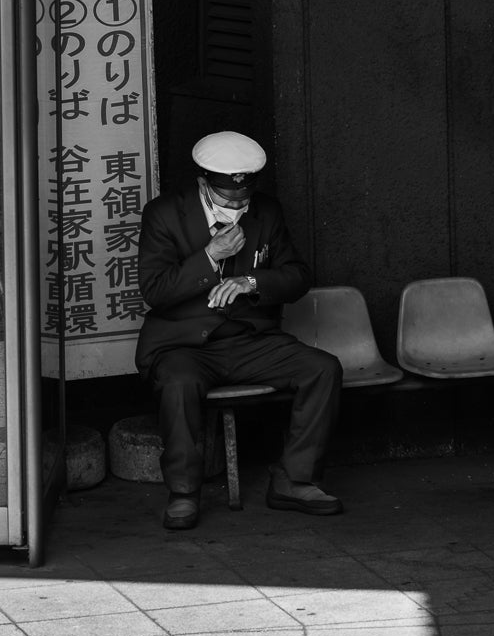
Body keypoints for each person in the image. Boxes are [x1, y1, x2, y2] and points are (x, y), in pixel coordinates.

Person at [134, 131, 344, 530]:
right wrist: (210, 257)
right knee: (178, 384)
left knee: (323, 369)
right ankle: (183, 493)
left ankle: (294, 479)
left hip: (251, 340)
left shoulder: (266, 212)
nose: (238, 205)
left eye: (244, 198)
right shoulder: (164, 213)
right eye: (229, 199)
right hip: (185, 344)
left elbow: (298, 277)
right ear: (204, 184)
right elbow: (155, 291)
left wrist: (251, 282)